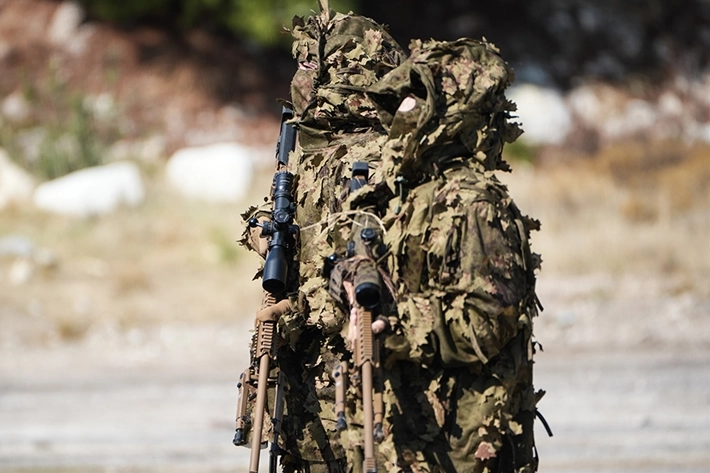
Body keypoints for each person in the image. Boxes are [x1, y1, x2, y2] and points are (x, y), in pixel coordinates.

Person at [243, 2, 544, 472]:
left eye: (415, 96)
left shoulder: (470, 202)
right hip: (398, 423)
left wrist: (386, 323)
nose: (402, 109)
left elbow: (484, 318)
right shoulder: (418, 190)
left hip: (454, 441)